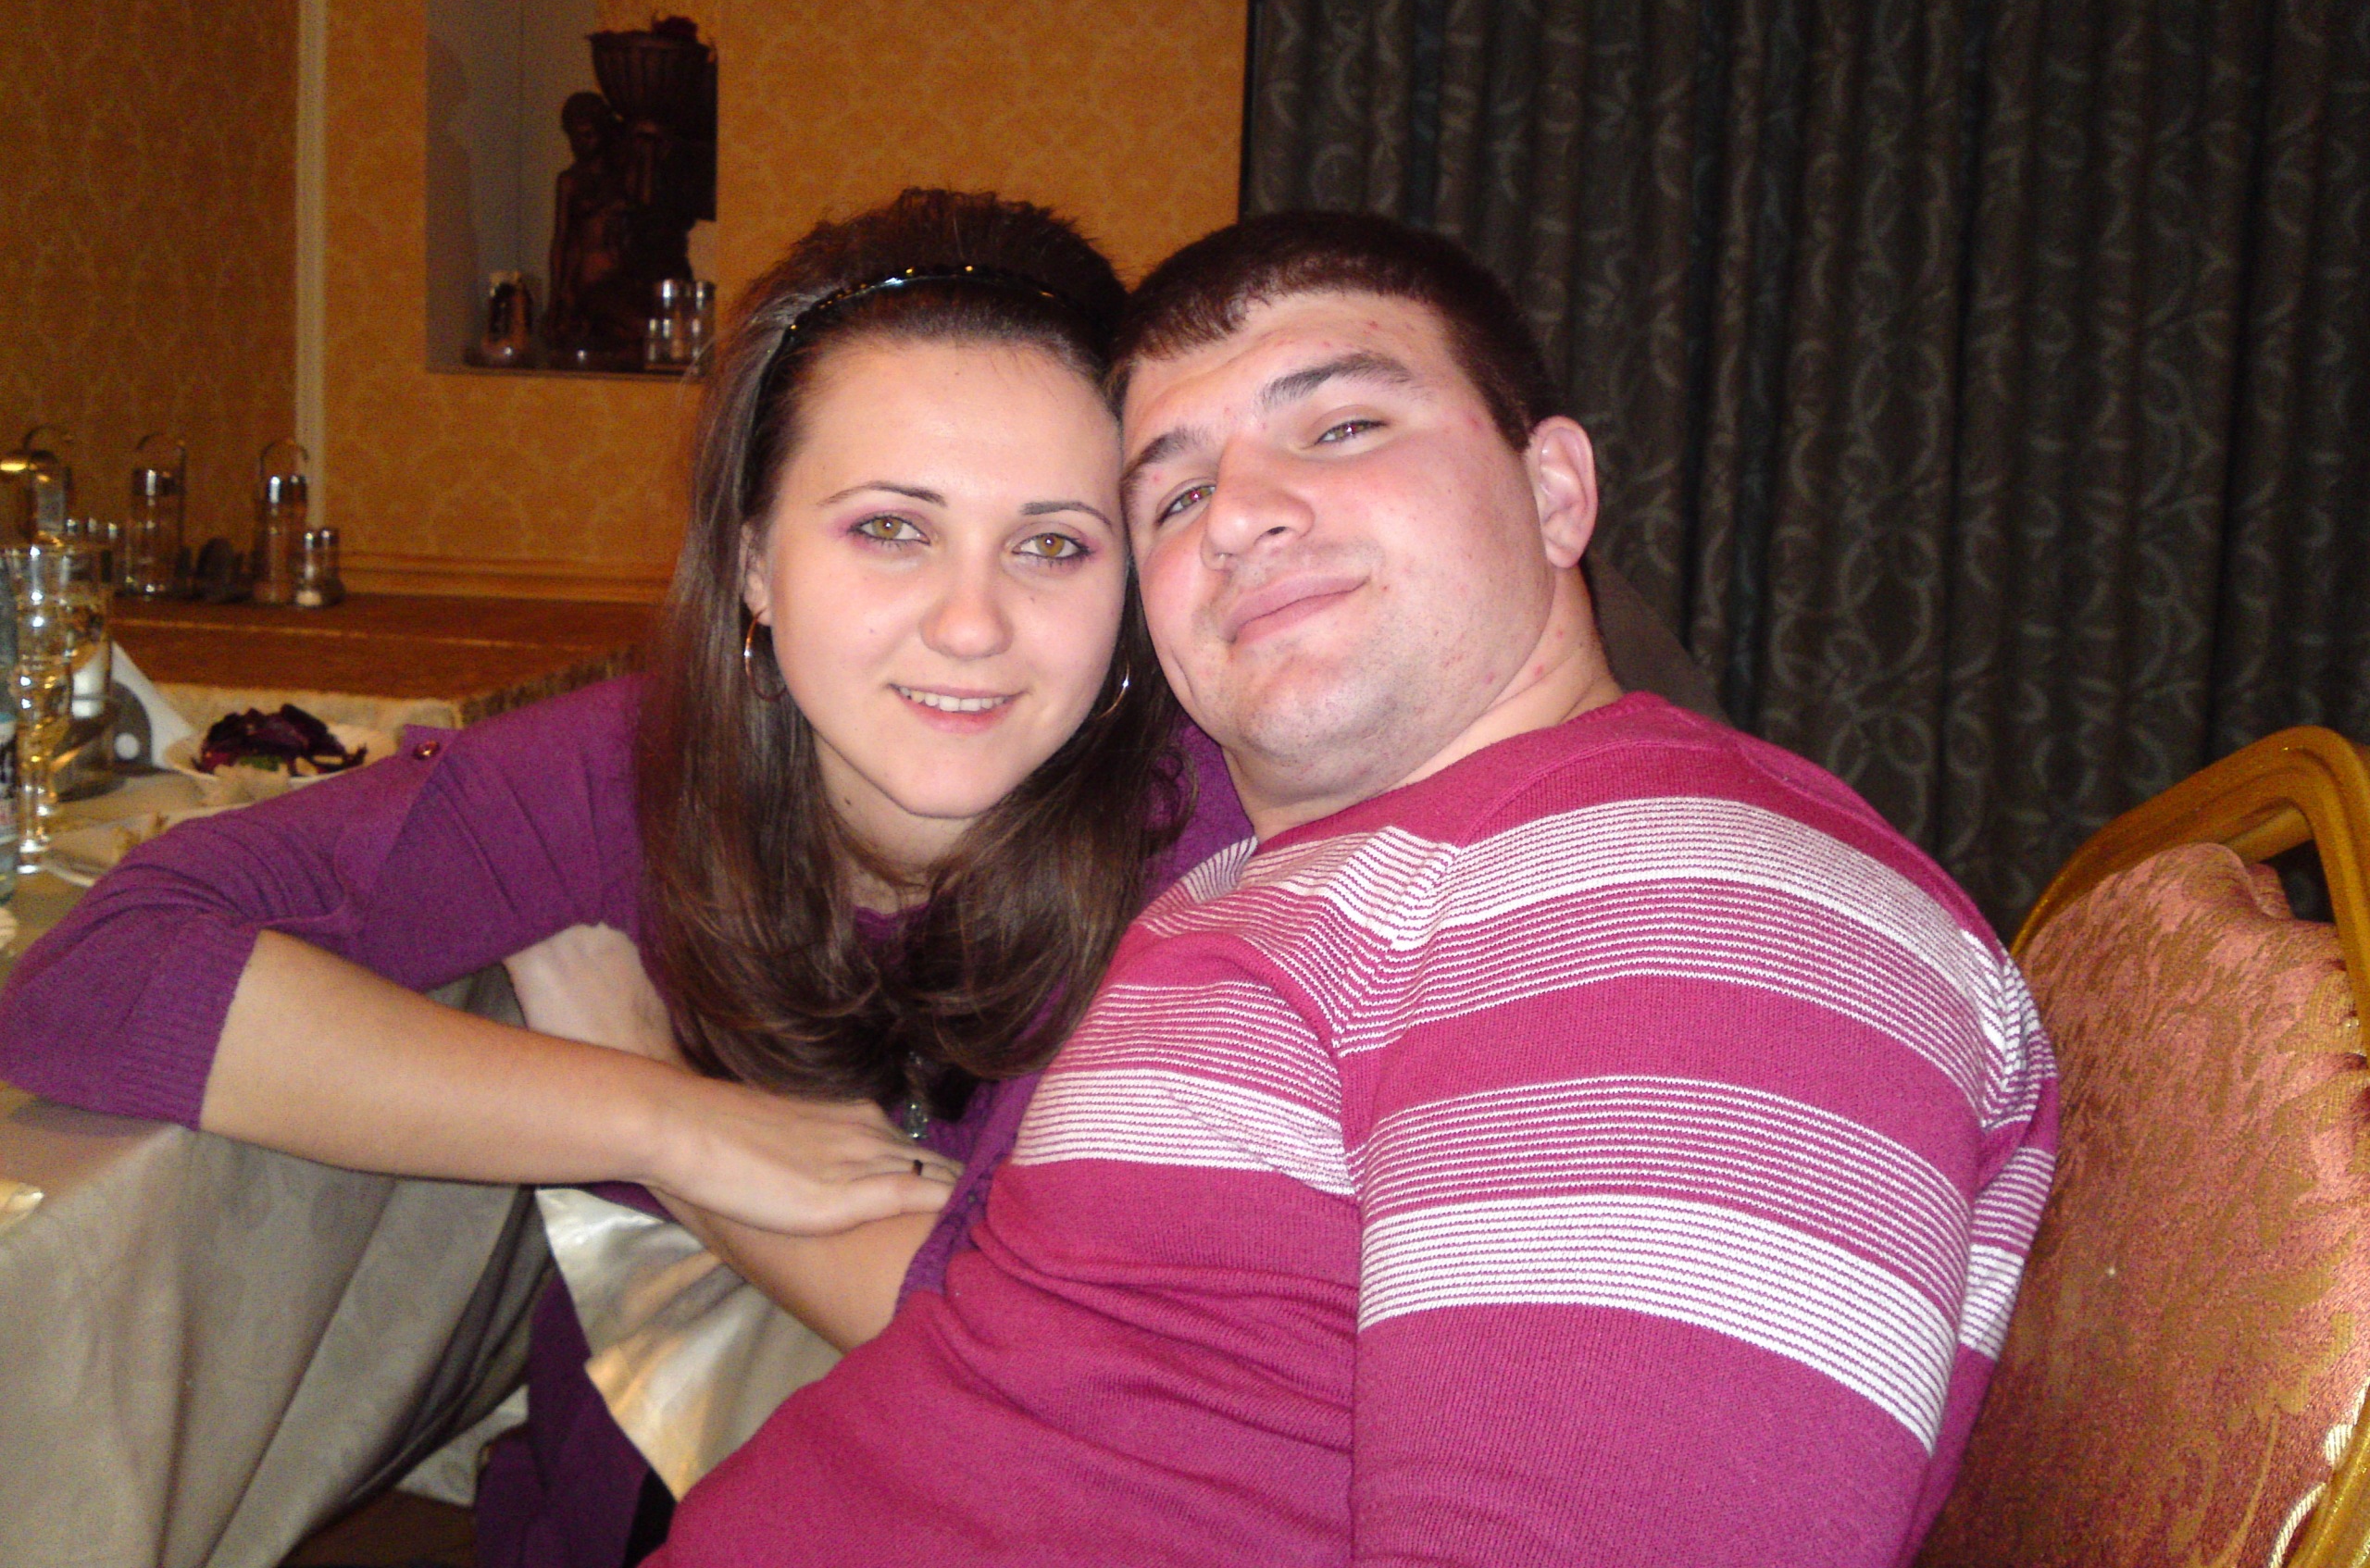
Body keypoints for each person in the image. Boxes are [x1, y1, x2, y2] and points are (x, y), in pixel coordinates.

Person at [638, 212, 2061, 1567]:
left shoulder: (1678, 897)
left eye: (1341, 427)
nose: (1240, 516)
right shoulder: (1301, 888)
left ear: (1555, 493)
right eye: (1176, 494)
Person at [0, 189, 1254, 1567]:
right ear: (753, 561)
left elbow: (1036, 1364)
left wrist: (685, 1141)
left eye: (1053, 544)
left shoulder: (1215, 857)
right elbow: (98, 976)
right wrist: (659, 1116)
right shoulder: (633, 768)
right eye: (890, 529)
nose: (973, 624)